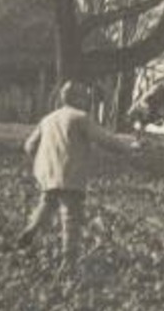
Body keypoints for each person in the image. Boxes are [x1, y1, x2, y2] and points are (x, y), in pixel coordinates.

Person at [17, 81, 143, 270]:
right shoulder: (81, 118)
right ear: (77, 99)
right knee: (71, 217)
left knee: (47, 204)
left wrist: (46, 159)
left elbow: (29, 146)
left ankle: (31, 230)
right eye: (84, 97)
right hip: (71, 174)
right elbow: (105, 140)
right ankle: (68, 262)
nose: (87, 101)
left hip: (47, 174)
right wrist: (129, 148)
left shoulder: (48, 119)